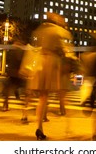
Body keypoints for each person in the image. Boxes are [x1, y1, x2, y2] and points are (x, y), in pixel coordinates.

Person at [27, 12, 75, 140]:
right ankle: (68, 127)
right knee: (62, 94)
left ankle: (39, 127)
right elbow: (64, 48)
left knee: (43, 97)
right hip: (53, 64)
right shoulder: (58, 31)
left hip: (41, 62)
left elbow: (35, 45)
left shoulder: (40, 30)